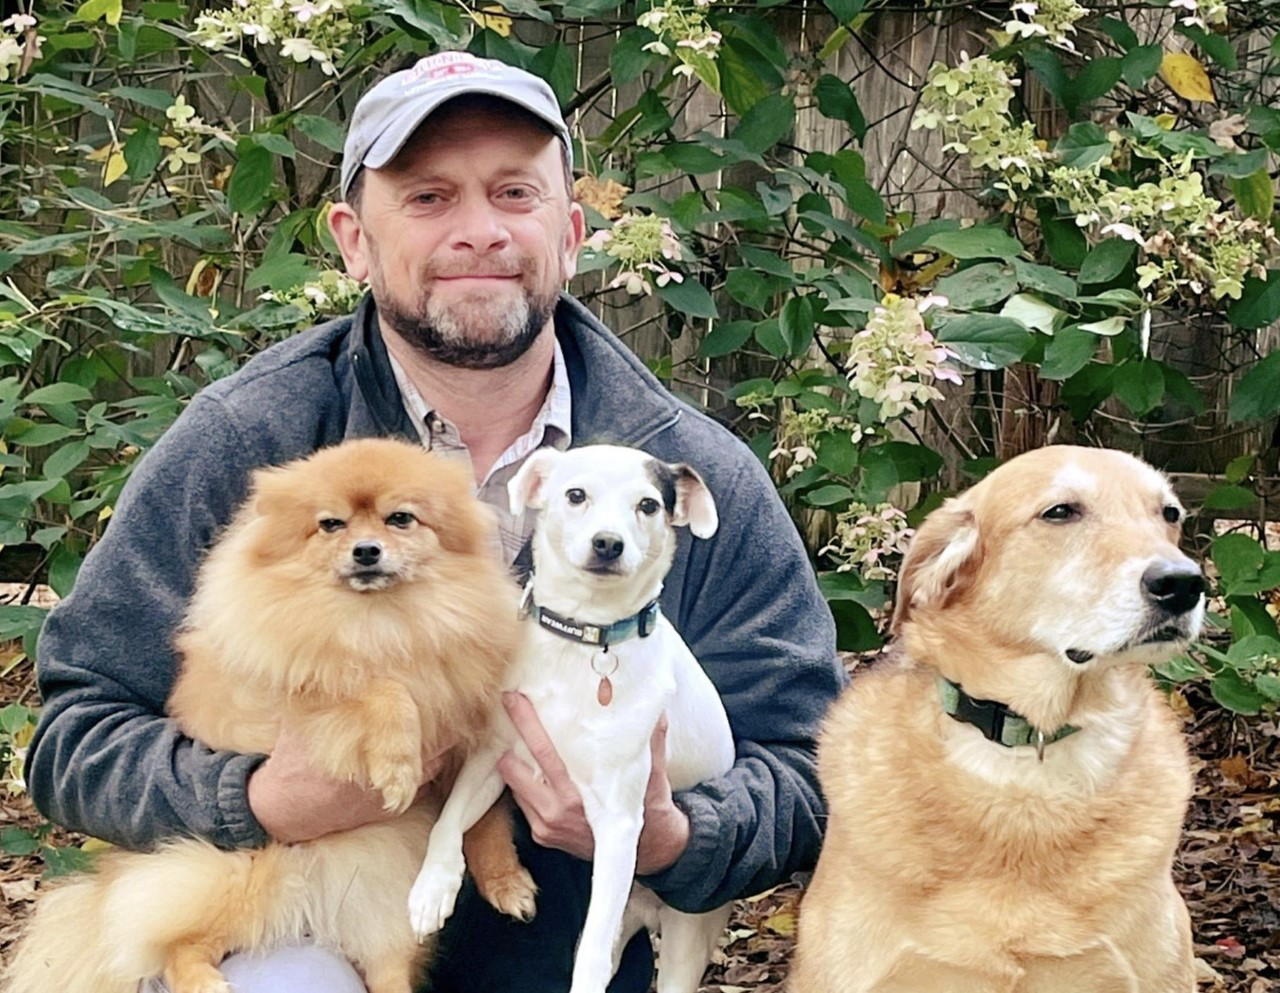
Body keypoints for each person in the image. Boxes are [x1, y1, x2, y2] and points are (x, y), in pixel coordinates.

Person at [26, 52, 846, 992]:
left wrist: (674, 835)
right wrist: (259, 796)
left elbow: (809, 763)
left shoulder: (687, 476)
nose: (479, 231)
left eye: (513, 192)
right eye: (426, 198)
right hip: (300, 933)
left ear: (571, 232)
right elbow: (75, 733)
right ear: (352, 240)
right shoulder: (255, 444)